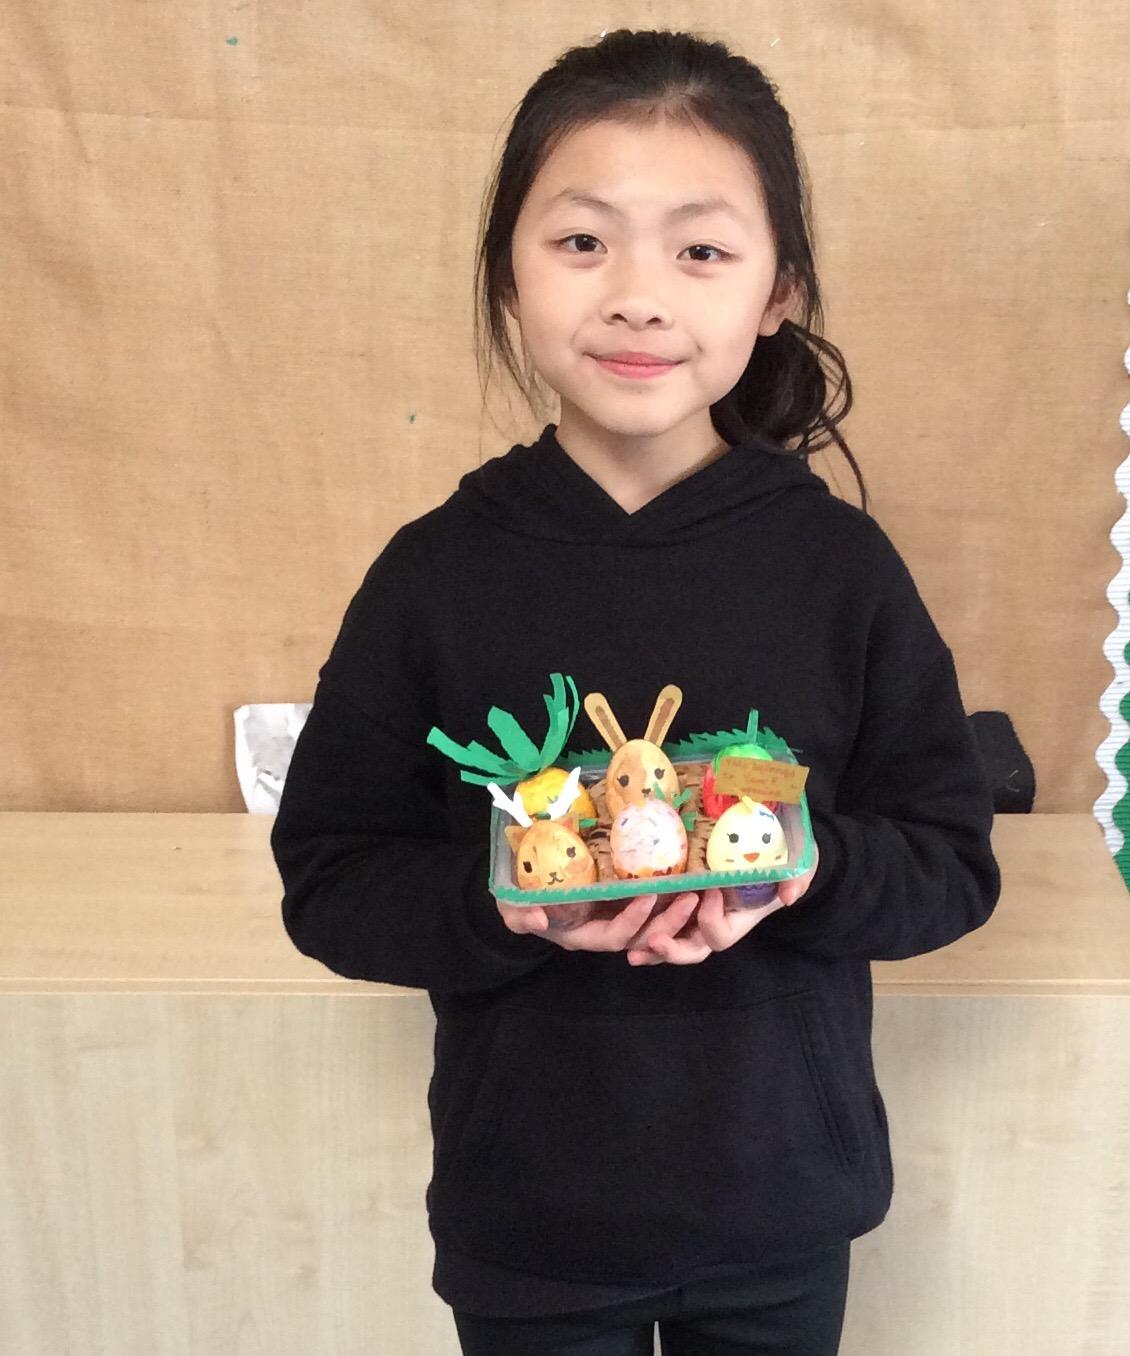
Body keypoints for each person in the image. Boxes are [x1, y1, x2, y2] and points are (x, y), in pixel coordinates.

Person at [270, 26, 1002, 1356]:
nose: (639, 298)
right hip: (529, 1219)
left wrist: (803, 869)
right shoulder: (435, 576)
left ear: (778, 291)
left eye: (700, 250)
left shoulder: (837, 569)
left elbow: (949, 864)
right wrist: (501, 898)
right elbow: (329, 879)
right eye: (581, 241)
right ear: (507, 273)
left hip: (782, 1207)